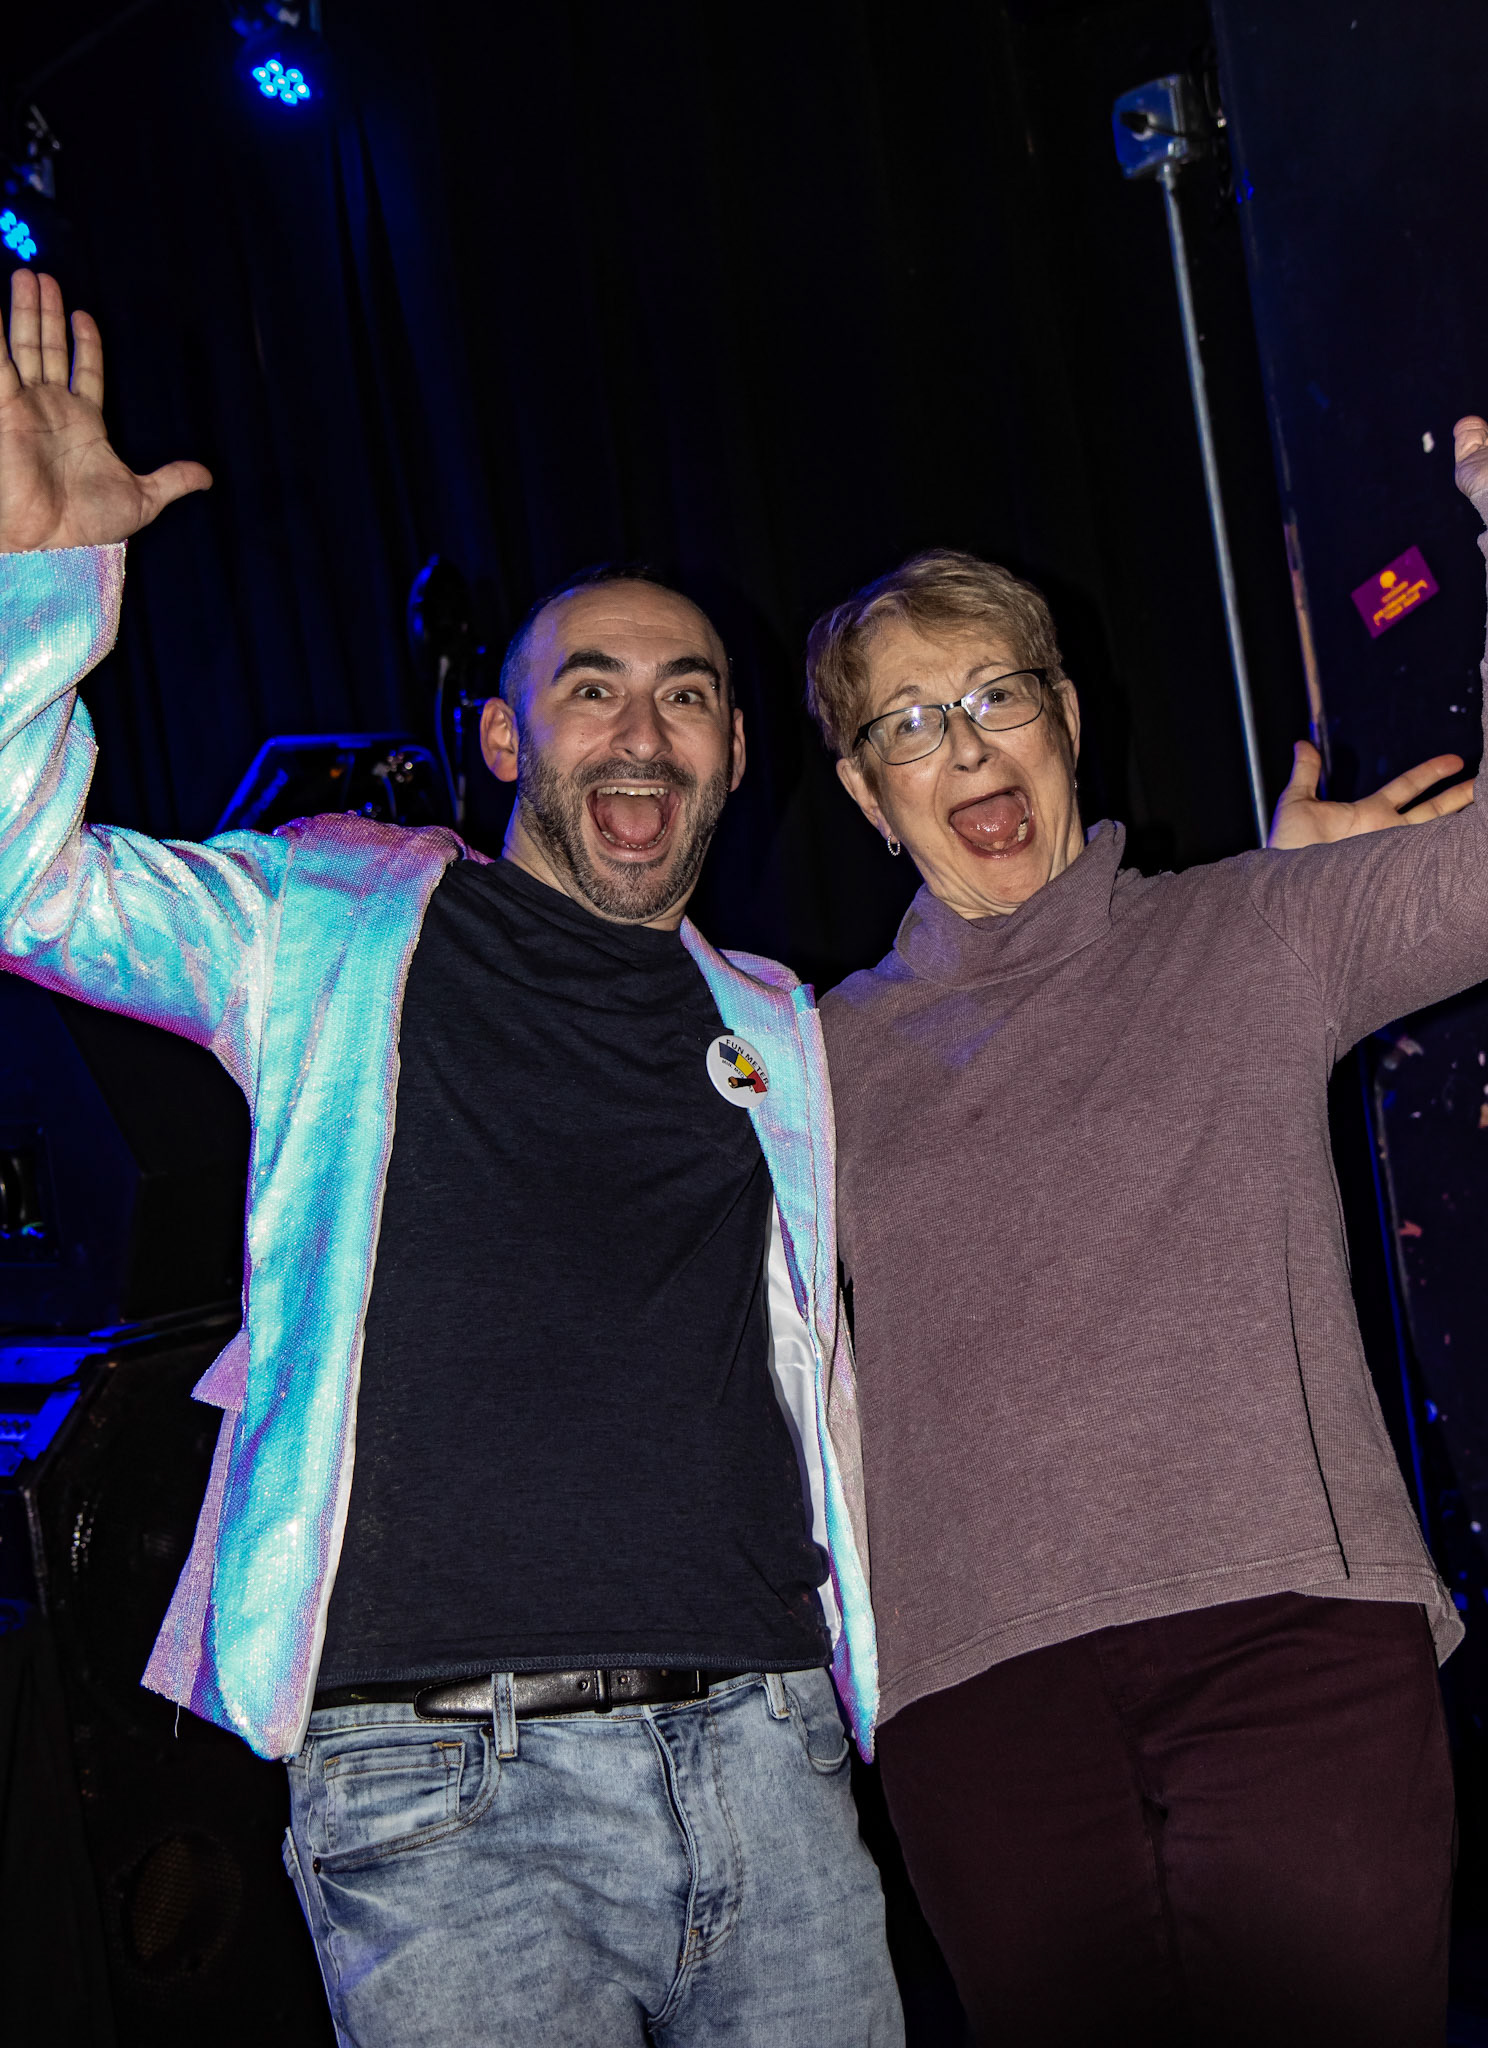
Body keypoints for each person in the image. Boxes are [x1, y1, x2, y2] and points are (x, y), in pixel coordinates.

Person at [0, 270, 899, 2047]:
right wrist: (44, 592)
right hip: (445, 1792)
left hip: (773, 1759)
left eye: (688, 696)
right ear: (501, 736)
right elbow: (26, 881)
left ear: (734, 755)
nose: (641, 731)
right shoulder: (321, 926)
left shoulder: (785, 1024)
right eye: (591, 690)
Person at [804, 359, 1488, 2045]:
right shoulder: (809, 1056)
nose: (963, 744)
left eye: (997, 694)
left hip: (1292, 1638)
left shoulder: (1251, 932)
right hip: (980, 1695)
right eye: (907, 723)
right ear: (864, 793)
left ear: (1067, 718)